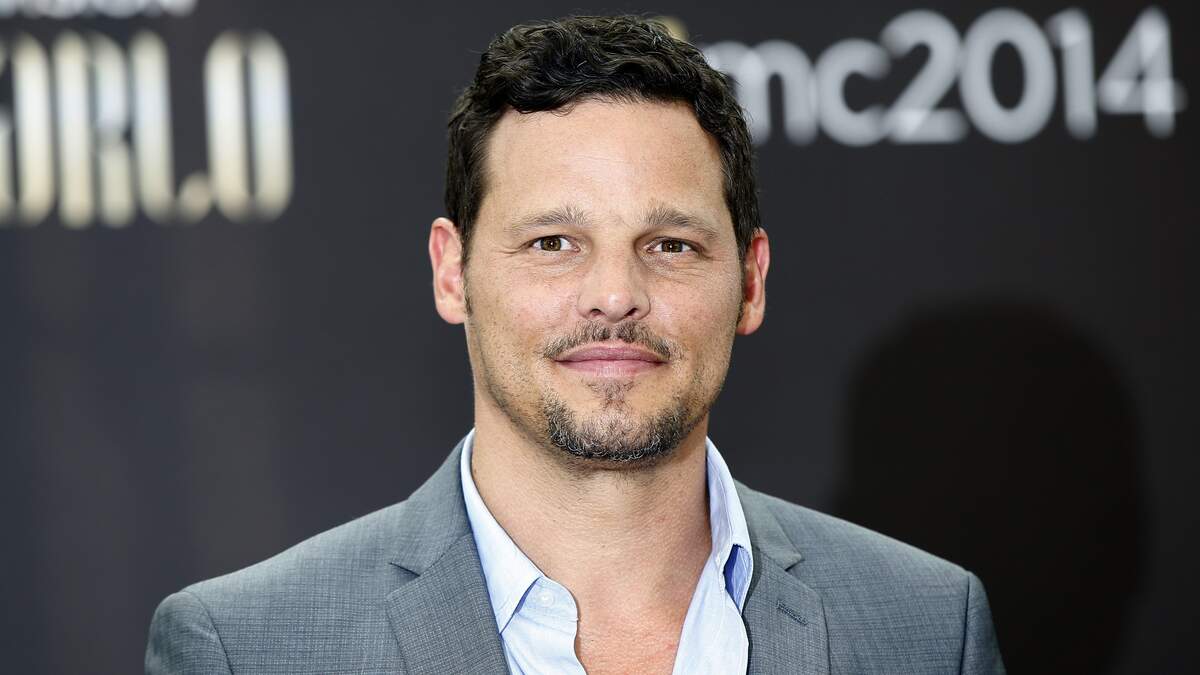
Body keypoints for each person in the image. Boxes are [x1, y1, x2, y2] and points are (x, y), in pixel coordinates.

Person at [145, 15, 1004, 674]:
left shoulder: (927, 628)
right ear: (452, 273)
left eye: (671, 244)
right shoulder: (248, 648)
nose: (615, 294)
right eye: (553, 242)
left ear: (750, 280)